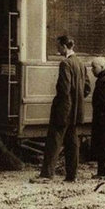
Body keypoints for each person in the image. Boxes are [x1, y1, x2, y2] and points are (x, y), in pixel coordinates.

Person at [40, 35, 91, 182]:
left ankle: (47, 175)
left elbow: (64, 89)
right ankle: (71, 176)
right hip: (75, 111)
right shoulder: (80, 63)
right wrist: (77, 101)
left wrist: (62, 105)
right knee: (72, 143)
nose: (57, 49)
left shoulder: (65, 64)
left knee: (54, 141)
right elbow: (87, 88)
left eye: (58, 46)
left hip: (63, 110)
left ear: (64, 46)